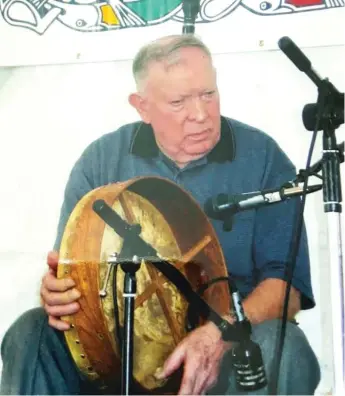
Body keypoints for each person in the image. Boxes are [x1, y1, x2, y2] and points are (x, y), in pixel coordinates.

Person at [0, 34, 321, 395]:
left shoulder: (263, 158)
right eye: (179, 102)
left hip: (231, 343)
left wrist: (221, 334)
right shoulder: (101, 162)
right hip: (122, 353)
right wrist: (58, 293)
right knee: (33, 332)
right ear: (142, 106)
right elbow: (73, 272)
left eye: (208, 94)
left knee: (283, 346)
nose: (200, 114)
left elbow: (287, 289)